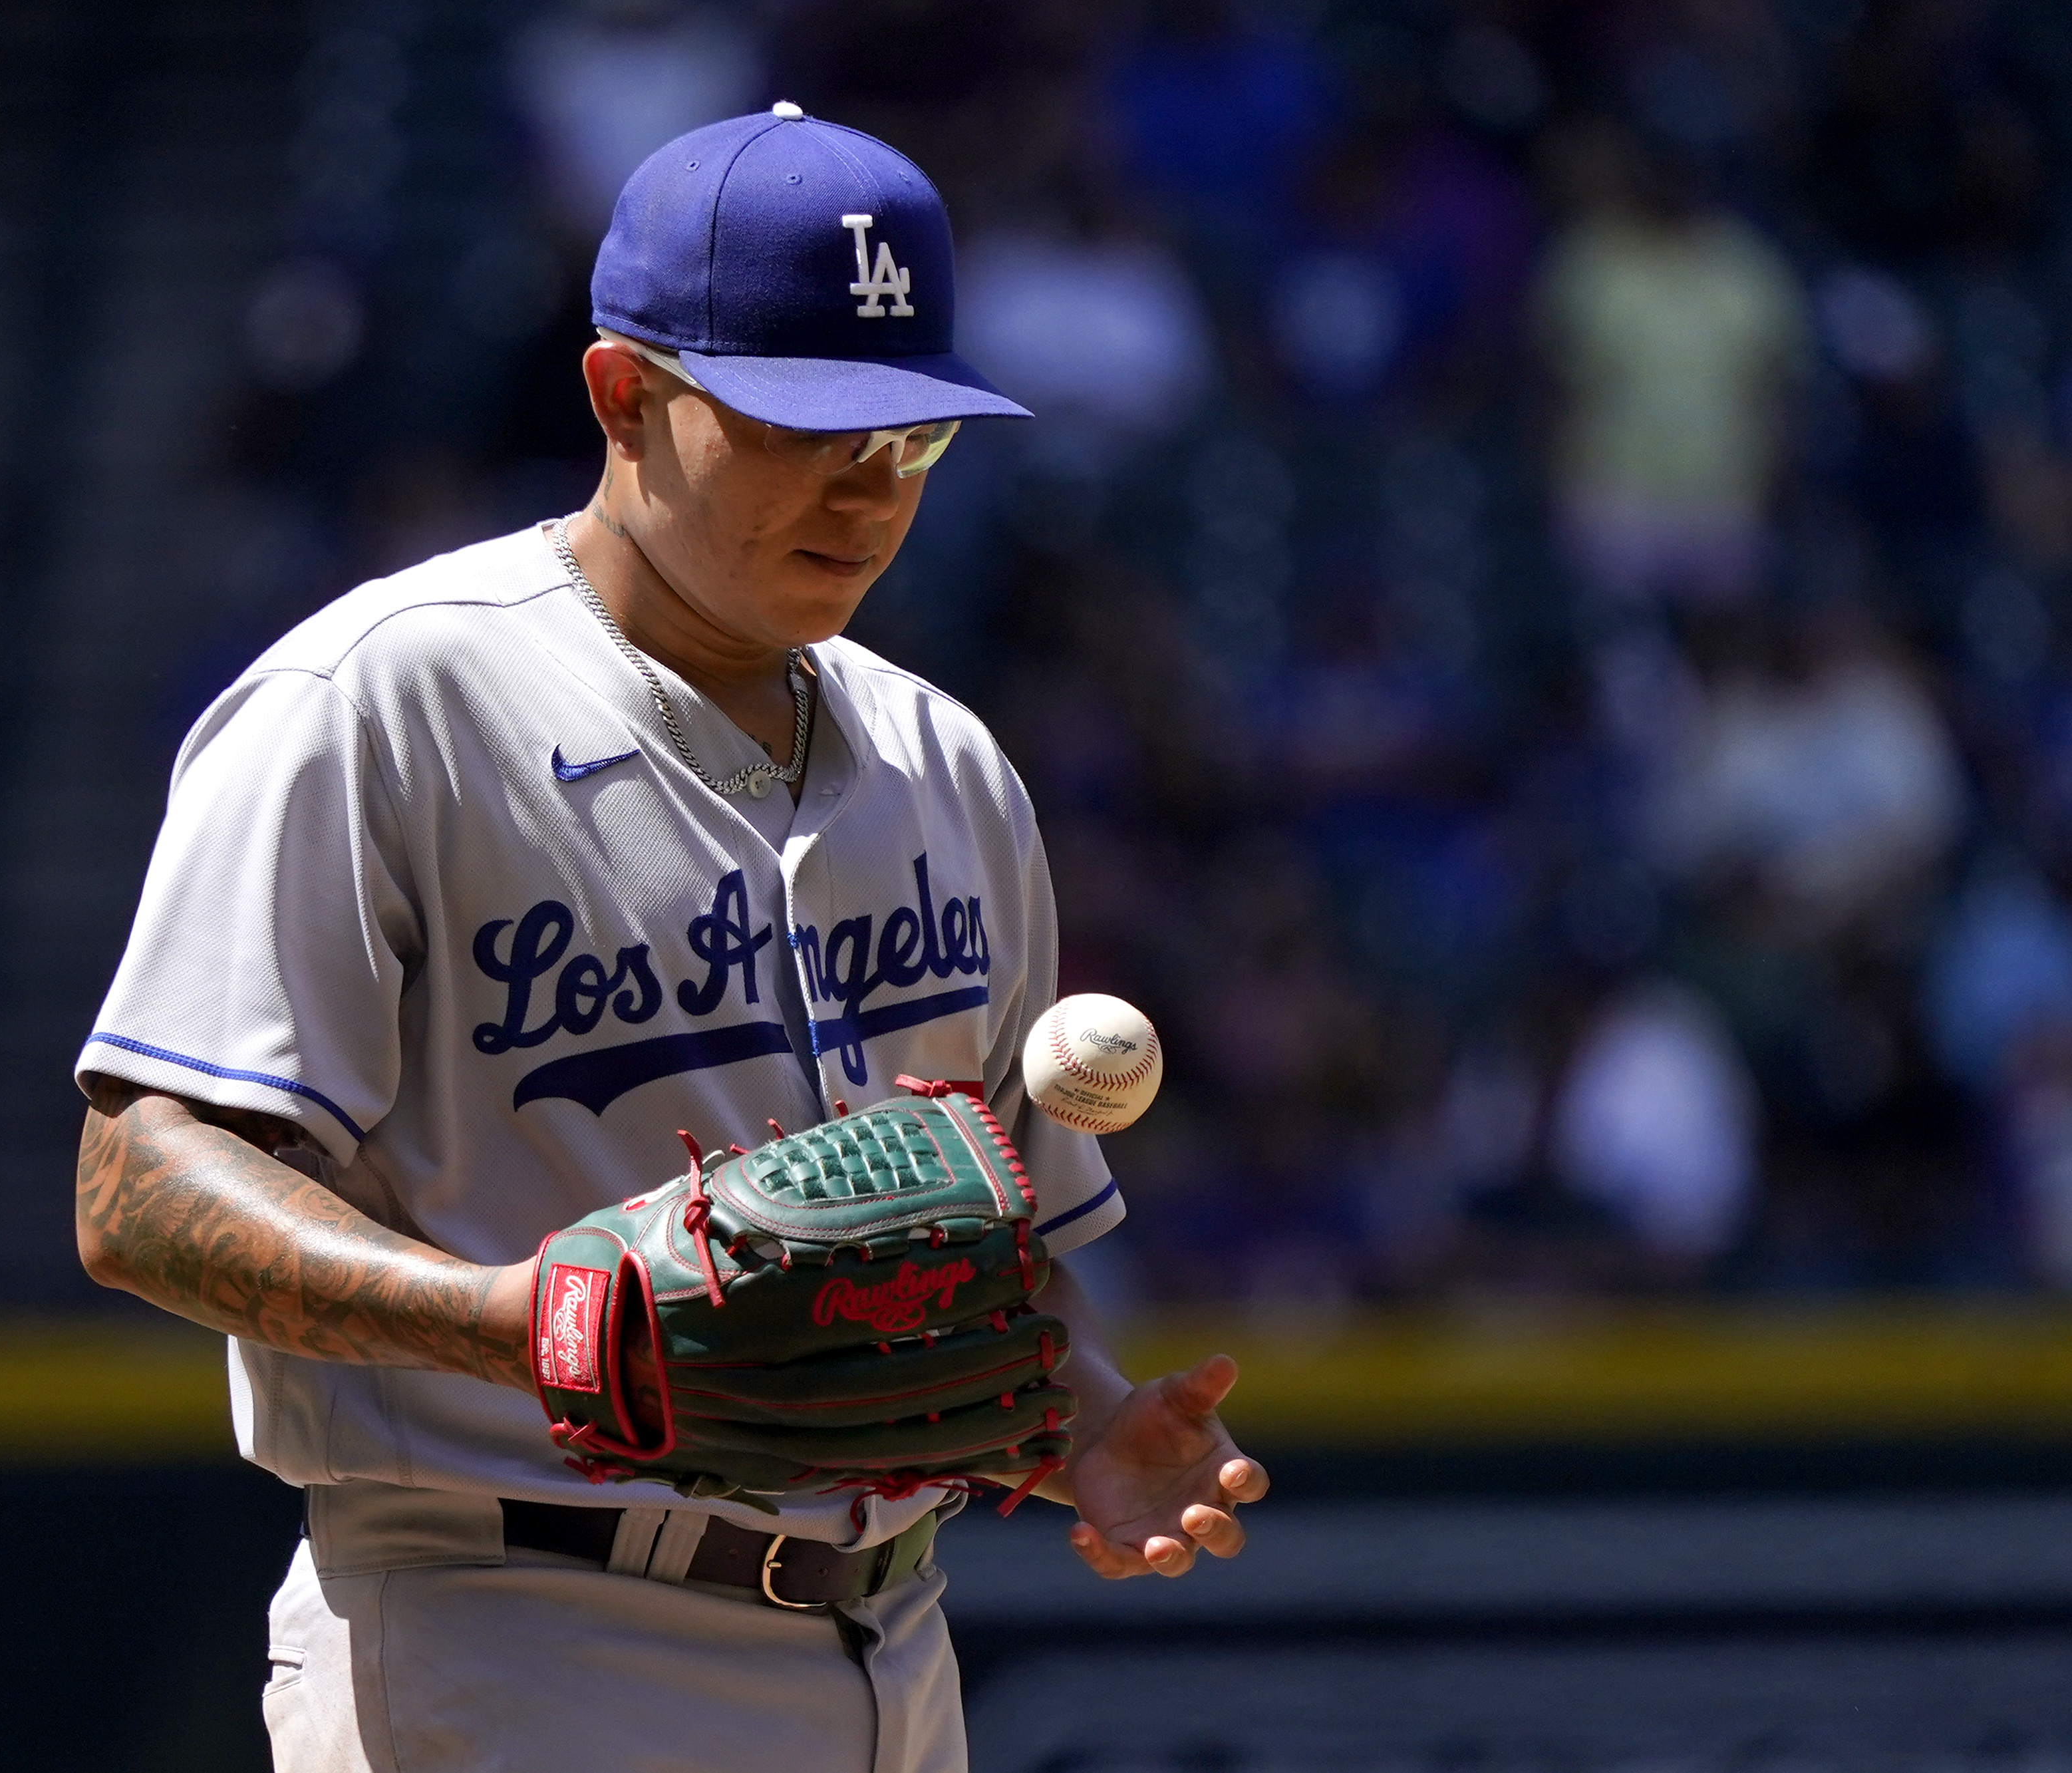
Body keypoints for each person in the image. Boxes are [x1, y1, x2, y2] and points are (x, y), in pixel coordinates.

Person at [72, 104, 1266, 1773]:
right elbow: (138, 1185)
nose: (868, 491)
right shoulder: (388, 701)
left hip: (892, 1650)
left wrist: (1084, 1428)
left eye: (911, 439)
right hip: (515, 1629)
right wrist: (518, 1322)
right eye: (803, 426)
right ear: (624, 396)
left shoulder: (948, 767)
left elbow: (971, 1262)